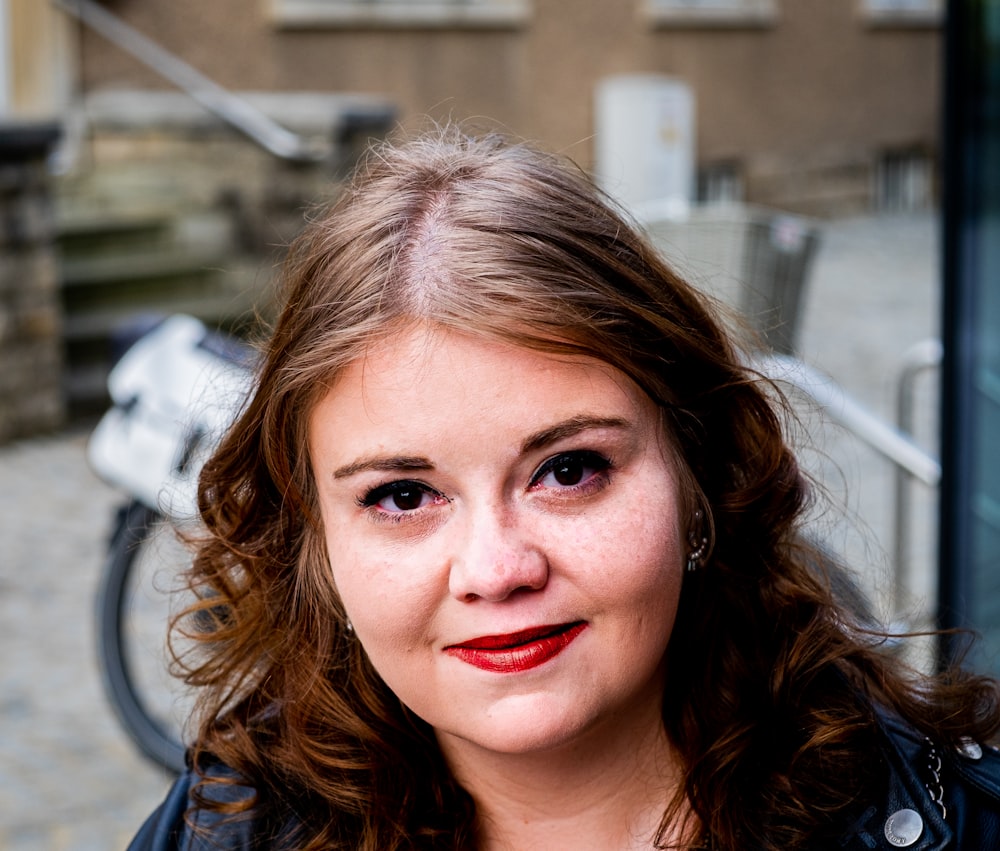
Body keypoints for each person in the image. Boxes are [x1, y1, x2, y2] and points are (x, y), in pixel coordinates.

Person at [129, 126, 1000, 851]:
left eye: (569, 470)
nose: (496, 568)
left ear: (698, 477)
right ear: (315, 543)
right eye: (401, 495)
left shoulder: (941, 823)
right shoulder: (224, 831)